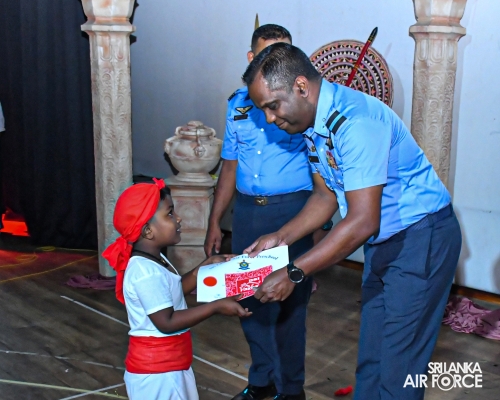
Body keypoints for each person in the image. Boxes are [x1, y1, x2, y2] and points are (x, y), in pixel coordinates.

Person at [241, 43, 462, 400]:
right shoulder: (314, 125)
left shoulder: (357, 122)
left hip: (421, 238)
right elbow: (326, 196)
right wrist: (281, 236)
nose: (269, 118)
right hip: (385, 241)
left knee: (400, 367)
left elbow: (362, 221)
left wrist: (295, 272)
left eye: (272, 106)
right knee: (372, 359)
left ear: (301, 86)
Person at [204, 25, 318, 400]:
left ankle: (291, 391)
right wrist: (215, 221)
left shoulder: (301, 104)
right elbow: (230, 165)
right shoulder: (237, 104)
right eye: (267, 55)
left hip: (292, 212)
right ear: (252, 59)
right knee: (248, 301)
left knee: (288, 308)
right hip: (247, 213)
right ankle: (262, 380)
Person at [103, 178, 251, 400]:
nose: (178, 218)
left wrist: (204, 268)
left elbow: (173, 291)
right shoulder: (145, 272)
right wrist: (215, 307)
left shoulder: (154, 259)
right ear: (148, 231)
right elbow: (167, 322)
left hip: (171, 366)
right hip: (158, 374)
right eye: (170, 214)